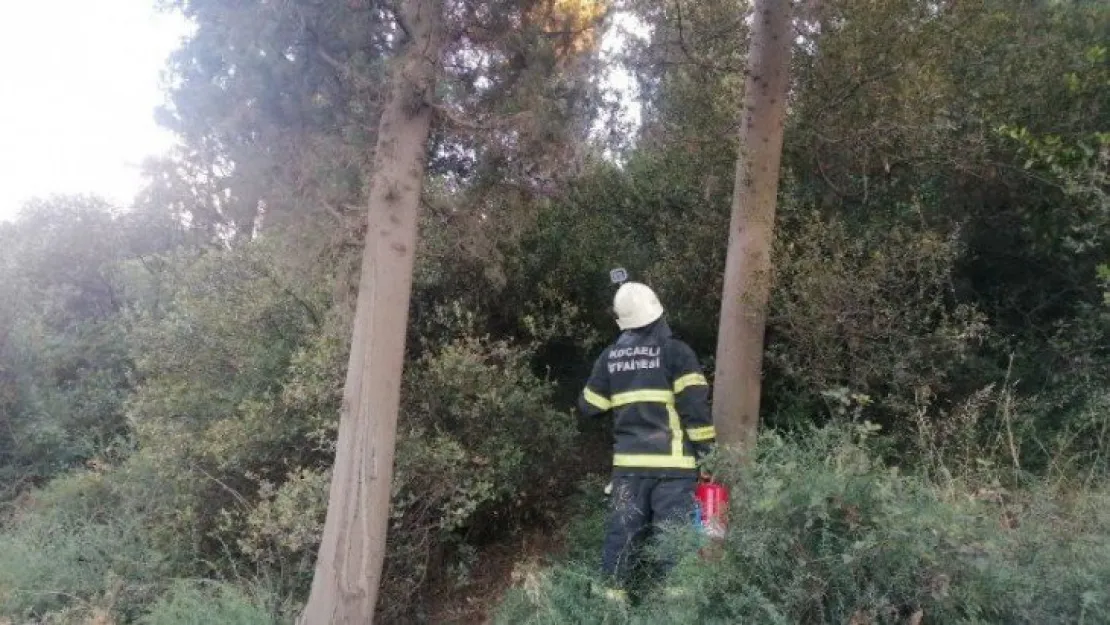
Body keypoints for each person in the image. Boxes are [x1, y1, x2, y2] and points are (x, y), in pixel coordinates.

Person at [577, 281, 716, 604]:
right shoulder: (676, 352)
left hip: (629, 470)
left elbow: (589, 407)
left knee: (620, 539)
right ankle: (677, 610)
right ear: (657, 310)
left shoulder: (609, 357)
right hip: (674, 469)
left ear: (621, 321)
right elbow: (696, 412)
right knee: (674, 543)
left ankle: (610, 609)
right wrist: (709, 458)